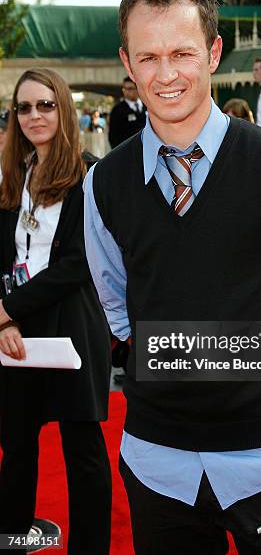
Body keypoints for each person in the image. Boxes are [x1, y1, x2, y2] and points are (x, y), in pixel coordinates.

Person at [84, 0, 261, 554]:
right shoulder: (103, 186)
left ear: (214, 52)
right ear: (127, 64)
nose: (166, 73)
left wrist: (241, 363)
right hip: (156, 464)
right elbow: (116, 309)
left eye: (182, 52)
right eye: (148, 57)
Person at [0, 69, 112, 555]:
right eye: (23, 108)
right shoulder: (13, 173)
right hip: (16, 327)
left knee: (82, 450)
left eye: (44, 105)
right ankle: (12, 535)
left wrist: (6, 308)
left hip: (72, 324)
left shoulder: (88, 175)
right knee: (16, 445)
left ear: (63, 109)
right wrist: (5, 318)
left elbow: (78, 264)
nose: (34, 116)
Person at [108, 77, 146, 148]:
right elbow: (113, 135)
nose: (126, 92)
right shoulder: (118, 110)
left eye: (130, 89)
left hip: (148, 150)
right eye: (124, 89)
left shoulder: (147, 106)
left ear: (137, 89)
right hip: (127, 152)